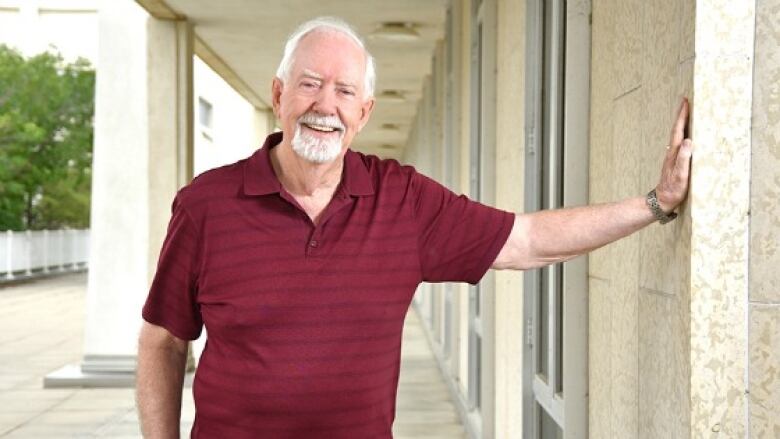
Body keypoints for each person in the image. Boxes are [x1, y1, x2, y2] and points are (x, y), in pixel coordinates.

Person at [136, 16, 693, 439]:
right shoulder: (206, 205)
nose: (325, 105)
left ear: (365, 112)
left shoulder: (401, 200)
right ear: (279, 95)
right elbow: (162, 340)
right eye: (309, 84)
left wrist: (655, 202)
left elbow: (525, 240)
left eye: (345, 90)